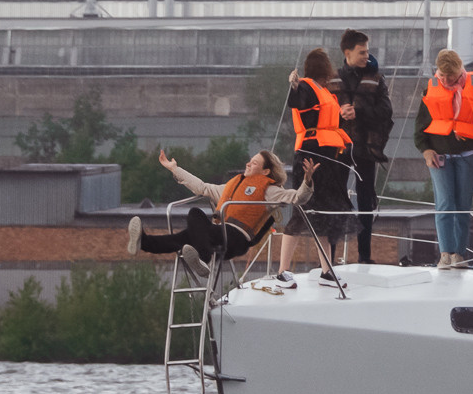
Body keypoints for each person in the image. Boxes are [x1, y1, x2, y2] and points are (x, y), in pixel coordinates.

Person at [128, 148, 308, 275]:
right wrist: (174, 169)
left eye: (254, 163)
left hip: (236, 239)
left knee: (194, 215)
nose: (248, 164)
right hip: (217, 234)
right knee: (182, 238)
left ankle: (203, 257)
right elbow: (202, 188)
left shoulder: (270, 190)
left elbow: (297, 198)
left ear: (265, 171)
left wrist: (307, 183)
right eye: (249, 161)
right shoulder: (231, 185)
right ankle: (144, 242)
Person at [415, 48, 473, 270]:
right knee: (445, 204)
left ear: (460, 69)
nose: (446, 80)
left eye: (451, 75)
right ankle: (445, 253)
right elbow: (419, 128)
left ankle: (460, 254)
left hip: (468, 156)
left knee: (463, 205)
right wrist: (425, 150)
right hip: (439, 156)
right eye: (442, 75)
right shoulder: (431, 88)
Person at [285, 45, 356, 267]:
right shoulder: (306, 87)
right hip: (311, 156)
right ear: (324, 71)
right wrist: (294, 86)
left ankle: (327, 270)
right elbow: (296, 101)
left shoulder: (325, 92)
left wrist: (342, 116)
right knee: (304, 211)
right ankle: (282, 270)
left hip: (329, 158)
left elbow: (326, 123)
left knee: (324, 215)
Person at [335, 29, 395, 265]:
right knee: (337, 200)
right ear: (347, 52)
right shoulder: (332, 78)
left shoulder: (377, 79)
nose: (366, 56)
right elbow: (321, 113)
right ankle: (330, 254)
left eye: (368, 51)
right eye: (362, 52)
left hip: (366, 150)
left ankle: (364, 256)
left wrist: (358, 111)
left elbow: (386, 112)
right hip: (339, 148)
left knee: (366, 201)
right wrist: (341, 113)